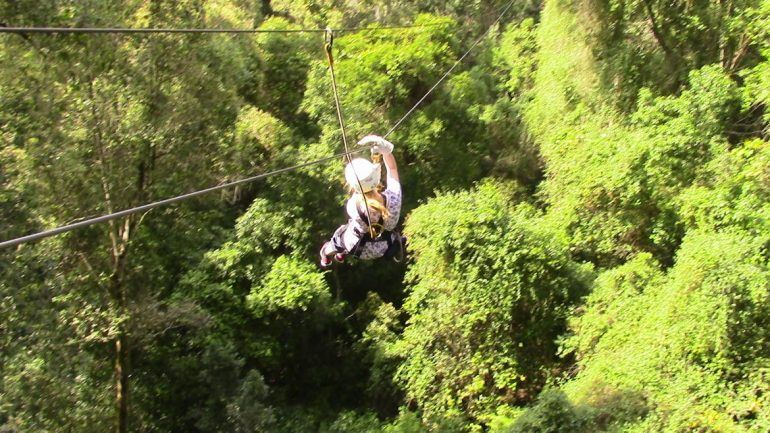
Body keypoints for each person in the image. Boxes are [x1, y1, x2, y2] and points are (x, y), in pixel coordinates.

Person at [319, 134, 404, 268]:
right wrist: (385, 151)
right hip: (384, 247)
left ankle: (326, 253)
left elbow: (365, 197)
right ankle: (340, 252)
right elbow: (392, 169)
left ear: (353, 186)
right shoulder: (394, 199)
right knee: (355, 229)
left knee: (341, 237)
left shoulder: (353, 206)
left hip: (357, 247)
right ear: (375, 179)